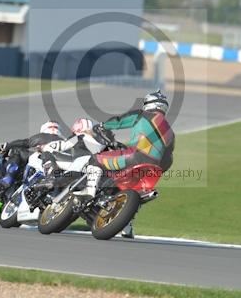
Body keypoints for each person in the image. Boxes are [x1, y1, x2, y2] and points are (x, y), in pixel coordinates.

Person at [74, 90, 175, 238]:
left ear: (147, 104)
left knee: (96, 159)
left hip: (135, 156)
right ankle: (126, 225)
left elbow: (119, 121)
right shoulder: (171, 132)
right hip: (154, 169)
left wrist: (101, 126)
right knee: (131, 190)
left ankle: (89, 190)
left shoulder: (143, 115)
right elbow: (169, 158)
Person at [0, 121, 65, 199]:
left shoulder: (41, 137)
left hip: (44, 163)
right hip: (61, 168)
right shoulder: (65, 141)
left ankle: (8, 179)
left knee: (17, 150)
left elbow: (23, 143)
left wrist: (6, 146)